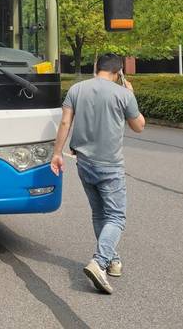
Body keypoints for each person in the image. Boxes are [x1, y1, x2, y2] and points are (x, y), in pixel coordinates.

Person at [51, 53, 145, 295]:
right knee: (116, 216)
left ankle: (112, 261)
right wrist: (131, 94)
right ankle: (100, 261)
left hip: (84, 162)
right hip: (110, 165)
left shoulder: (76, 89)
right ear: (119, 72)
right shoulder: (123, 94)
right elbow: (139, 126)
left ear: (96, 67)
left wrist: (57, 153)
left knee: (99, 213)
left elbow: (65, 123)